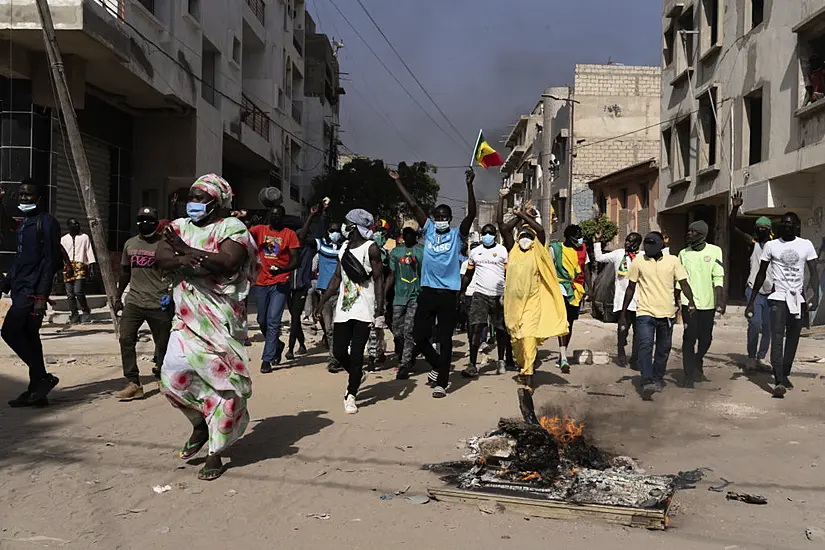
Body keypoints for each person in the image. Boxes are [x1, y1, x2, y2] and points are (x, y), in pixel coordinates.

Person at [155, 174, 257, 481]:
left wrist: (184, 252)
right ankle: (200, 423)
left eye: (200, 198)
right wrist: (192, 259)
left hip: (221, 318)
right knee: (172, 374)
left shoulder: (232, 228)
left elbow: (227, 263)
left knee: (222, 384)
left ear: (217, 202)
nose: (193, 203)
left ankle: (215, 452)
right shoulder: (178, 227)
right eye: (191, 196)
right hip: (186, 317)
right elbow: (161, 260)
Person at [391, 168, 476, 398]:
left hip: (448, 293)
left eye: (443, 218)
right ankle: (440, 365)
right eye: (436, 217)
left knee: (445, 339)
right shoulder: (428, 231)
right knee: (418, 335)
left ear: (449, 219)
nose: (439, 221)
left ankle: (442, 382)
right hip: (427, 292)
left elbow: (471, 215)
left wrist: (469, 185)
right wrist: (398, 182)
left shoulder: (457, 235)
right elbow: (413, 205)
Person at [1, 179, 63, 407]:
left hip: (32, 292)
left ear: (39, 199)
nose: (24, 198)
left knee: (9, 332)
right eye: (21, 195)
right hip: (19, 288)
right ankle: (37, 392)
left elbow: (50, 261)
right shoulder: (26, 222)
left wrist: (40, 298)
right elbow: (20, 257)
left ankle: (43, 377)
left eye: (28, 195)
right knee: (30, 337)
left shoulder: (47, 223)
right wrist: (6, 285)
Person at [316, 209, 384, 414]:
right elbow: (337, 277)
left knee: (356, 354)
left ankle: (351, 393)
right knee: (338, 351)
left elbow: (379, 279)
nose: (343, 227)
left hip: (364, 308)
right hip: (344, 308)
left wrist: (379, 310)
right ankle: (357, 374)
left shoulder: (371, 248)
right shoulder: (344, 247)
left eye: (346, 223)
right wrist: (323, 300)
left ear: (353, 226)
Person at [499, 189, 568, 391]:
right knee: (517, 342)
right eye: (523, 235)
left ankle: (528, 379)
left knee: (528, 339)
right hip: (513, 307)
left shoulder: (538, 251)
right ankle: (523, 366)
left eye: (529, 236)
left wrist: (522, 216)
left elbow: (541, 231)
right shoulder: (512, 250)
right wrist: (502, 200)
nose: (525, 239)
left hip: (532, 304)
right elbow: (502, 227)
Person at [746, 213, 820, 398]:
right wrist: (752, 300)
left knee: (793, 338)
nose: (788, 227)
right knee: (777, 337)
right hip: (778, 298)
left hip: (798, 300)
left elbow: (813, 272)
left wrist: (815, 296)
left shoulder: (806, 245)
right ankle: (778, 380)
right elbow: (761, 274)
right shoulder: (772, 245)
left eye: (791, 224)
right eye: (784, 224)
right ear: (780, 227)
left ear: (797, 226)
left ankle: (784, 372)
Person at [620, 232, 696, 401]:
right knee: (645, 346)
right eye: (646, 245)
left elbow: (683, 283)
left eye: (652, 246)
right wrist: (623, 314)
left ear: (662, 245)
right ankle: (647, 381)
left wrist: (691, 302)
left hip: (667, 313)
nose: (648, 249)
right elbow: (631, 288)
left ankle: (657, 377)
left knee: (663, 349)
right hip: (644, 313)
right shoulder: (638, 261)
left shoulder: (673, 261)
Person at [113, 207, 173, 401]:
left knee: (163, 345)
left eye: (149, 219)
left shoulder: (164, 245)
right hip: (134, 301)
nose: (144, 223)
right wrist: (117, 297)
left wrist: (171, 294)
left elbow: (175, 272)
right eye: (141, 219)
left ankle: (166, 379)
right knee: (126, 339)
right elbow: (124, 273)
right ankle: (133, 383)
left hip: (158, 303)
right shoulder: (130, 244)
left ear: (156, 223)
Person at [249, 204, 300, 373]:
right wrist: (243, 218)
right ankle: (277, 345)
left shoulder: (289, 235)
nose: (275, 217)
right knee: (261, 320)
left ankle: (266, 359)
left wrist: (283, 269)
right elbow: (244, 236)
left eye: (278, 215)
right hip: (262, 282)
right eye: (272, 214)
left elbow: (295, 260)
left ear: (283, 217)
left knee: (273, 321)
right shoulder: (260, 230)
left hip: (280, 282)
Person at [678, 220, 725, 388]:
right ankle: (688, 375)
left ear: (702, 235)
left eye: (693, 232)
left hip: (708, 303)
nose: (688, 234)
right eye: (688, 231)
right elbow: (680, 280)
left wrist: (720, 299)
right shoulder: (683, 253)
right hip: (688, 303)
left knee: (706, 339)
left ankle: (698, 358)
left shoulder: (715, 251)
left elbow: (718, 277)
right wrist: (676, 302)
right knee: (689, 338)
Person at [730, 192, 774, 369]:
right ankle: (750, 357)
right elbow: (732, 227)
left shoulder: (776, 245)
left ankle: (761, 357)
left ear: (770, 229)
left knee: (768, 327)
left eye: (765, 227)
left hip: (771, 291)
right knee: (754, 324)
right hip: (753, 291)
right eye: (759, 227)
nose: (762, 230)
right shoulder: (753, 243)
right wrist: (735, 208)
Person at [461, 223, 509, 378]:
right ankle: (472, 364)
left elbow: (509, 273)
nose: (488, 235)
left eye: (491, 233)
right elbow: (468, 274)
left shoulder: (502, 251)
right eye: (485, 233)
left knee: (501, 329)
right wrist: (460, 290)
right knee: (476, 327)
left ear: (495, 235)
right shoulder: (475, 252)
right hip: (479, 294)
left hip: (499, 295)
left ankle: (501, 360)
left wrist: (508, 292)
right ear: (481, 235)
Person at [593, 233, 643, 368]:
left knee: (639, 332)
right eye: (626, 240)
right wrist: (597, 242)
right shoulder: (618, 254)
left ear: (638, 243)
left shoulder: (643, 257)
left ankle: (635, 358)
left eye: (631, 241)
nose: (627, 243)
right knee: (622, 328)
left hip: (639, 300)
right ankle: (621, 351)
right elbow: (599, 258)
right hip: (622, 300)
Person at [549, 224, 592, 373]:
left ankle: (562, 354)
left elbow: (586, 270)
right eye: (577, 237)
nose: (579, 240)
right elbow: (548, 268)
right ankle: (564, 358)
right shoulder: (555, 249)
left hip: (576, 291)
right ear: (568, 237)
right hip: (561, 288)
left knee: (570, 323)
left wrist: (590, 290)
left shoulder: (582, 250)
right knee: (563, 321)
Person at [386, 224, 424, 380]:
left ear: (416, 234)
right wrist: (383, 294)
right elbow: (391, 275)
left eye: (411, 233)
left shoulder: (422, 252)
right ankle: (404, 353)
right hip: (398, 296)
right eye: (405, 233)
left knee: (408, 330)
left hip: (416, 296)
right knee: (396, 330)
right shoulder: (396, 252)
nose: (408, 236)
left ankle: (405, 364)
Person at [285, 206, 321, 361]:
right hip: (287, 286)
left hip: (301, 287)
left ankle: (291, 349)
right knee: (294, 317)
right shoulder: (289, 249)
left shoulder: (307, 248)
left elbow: (303, 235)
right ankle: (302, 344)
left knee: (295, 318)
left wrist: (311, 216)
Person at [314, 214, 344, 373]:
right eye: (332, 230)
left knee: (336, 327)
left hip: (340, 293)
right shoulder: (321, 245)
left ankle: (334, 359)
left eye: (338, 230)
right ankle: (335, 356)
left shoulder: (345, 247)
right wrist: (317, 214)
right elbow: (305, 238)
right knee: (329, 329)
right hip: (324, 293)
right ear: (327, 231)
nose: (335, 233)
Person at [61, 217, 97, 324]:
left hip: (80, 266)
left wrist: (91, 265)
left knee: (78, 291)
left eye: (77, 224)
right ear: (68, 226)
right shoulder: (63, 239)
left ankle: (85, 310)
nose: (77, 226)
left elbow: (89, 251)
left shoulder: (84, 237)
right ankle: (74, 314)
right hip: (67, 267)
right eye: (73, 224)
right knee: (70, 293)